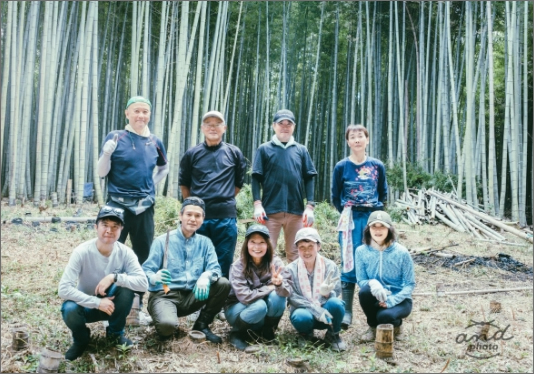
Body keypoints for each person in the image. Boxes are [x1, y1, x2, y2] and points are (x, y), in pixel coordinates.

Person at [97, 96, 169, 322]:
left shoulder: (155, 141)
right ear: (127, 113)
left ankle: (135, 307)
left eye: (145, 112)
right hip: (117, 204)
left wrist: (149, 186)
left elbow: (163, 168)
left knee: (143, 255)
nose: (141, 116)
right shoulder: (116, 136)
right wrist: (107, 153)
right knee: (110, 250)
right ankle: (106, 300)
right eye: (136, 111)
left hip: (144, 206)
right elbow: (101, 172)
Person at [58, 206, 148, 361]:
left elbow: (143, 284)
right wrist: (97, 302)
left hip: (112, 305)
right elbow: (63, 289)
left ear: (121, 230)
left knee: (126, 289)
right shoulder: (82, 251)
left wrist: (115, 277)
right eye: (105, 225)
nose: (109, 230)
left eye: (115, 226)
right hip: (85, 306)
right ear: (96, 227)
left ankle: (115, 335)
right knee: (69, 308)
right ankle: (81, 340)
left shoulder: (125, 252)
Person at [142, 197, 231, 343]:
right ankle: (163, 320)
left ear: (203, 219)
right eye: (189, 214)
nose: (192, 219)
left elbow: (215, 268)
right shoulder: (162, 241)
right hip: (165, 295)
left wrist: (206, 276)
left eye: (197, 216)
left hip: (192, 295)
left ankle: (202, 325)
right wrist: (154, 277)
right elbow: (146, 271)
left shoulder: (205, 243)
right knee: (167, 326)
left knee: (223, 284)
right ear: (180, 216)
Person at [331, 124, 388, 330]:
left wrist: (375, 214)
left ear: (367, 139)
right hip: (351, 218)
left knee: (374, 258)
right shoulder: (341, 167)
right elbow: (335, 196)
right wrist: (349, 212)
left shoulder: (376, 165)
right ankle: (347, 310)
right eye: (352, 137)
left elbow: (383, 193)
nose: (357, 139)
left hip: (373, 217)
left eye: (360, 136)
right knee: (349, 259)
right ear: (347, 142)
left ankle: (378, 307)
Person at [179, 110, 246, 281]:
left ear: (224, 128)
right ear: (202, 128)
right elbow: (184, 183)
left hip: (225, 218)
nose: (213, 127)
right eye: (208, 124)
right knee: (196, 260)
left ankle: (218, 303)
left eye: (217, 124)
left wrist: (222, 198)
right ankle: (195, 303)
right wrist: (194, 205)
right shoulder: (192, 154)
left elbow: (238, 184)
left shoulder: (234, 153)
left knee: (223, 262)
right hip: (199, 218)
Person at [252, 109, 317, 263]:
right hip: (270, 211)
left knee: (296, 253)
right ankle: (267, 286)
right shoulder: (264, 149)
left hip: (296, 212)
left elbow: (309, 177)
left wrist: (310, 206)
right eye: (281, 123)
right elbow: (256, 177)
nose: (285, 127)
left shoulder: (301, 150)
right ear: (274, 126)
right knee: (266, 252)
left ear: (294, 127)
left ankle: (294, 286)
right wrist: (257, 204)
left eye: (289, 124)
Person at [225, 224, 290, 351]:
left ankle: (267, 332)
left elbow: (287, 292)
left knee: (279, 297)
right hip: (238, 310)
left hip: (262, 311)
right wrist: (269, 288)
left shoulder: (276, 262)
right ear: (246, 244)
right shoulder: (238, 265)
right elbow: (245, 296)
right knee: (259, 305)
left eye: (261, 242)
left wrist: (278, 284)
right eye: (252, 242)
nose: (257, 247)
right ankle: (237, 334)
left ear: (268, 244)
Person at [355, 211, 415, 342]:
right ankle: (372, 327)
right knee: (364, 292)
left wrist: (392, 300)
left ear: (389, 229)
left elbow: (410, 283)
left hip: (399, 299)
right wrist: (373, 283)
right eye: (374, 227)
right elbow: (360, 279)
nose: (378, 230)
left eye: (382, 226)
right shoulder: (361, 251)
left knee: (384, 317)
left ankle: (397, 326)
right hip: (376, 296)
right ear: (368, 229)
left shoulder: (402, 252)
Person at [285, 228, 347, 352]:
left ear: (318, 246)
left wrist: (328, 293)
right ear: (297, 248)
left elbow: (337, 290)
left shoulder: (330, 266)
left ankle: (333, 334)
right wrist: (314, 309)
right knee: (300, 316)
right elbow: (292, 297)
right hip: (305, 312)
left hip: (326, 313)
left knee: (337, 304)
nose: (306, 251)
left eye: (310, 246)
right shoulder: (290, 269)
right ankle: (306, 335)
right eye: (302, 247)